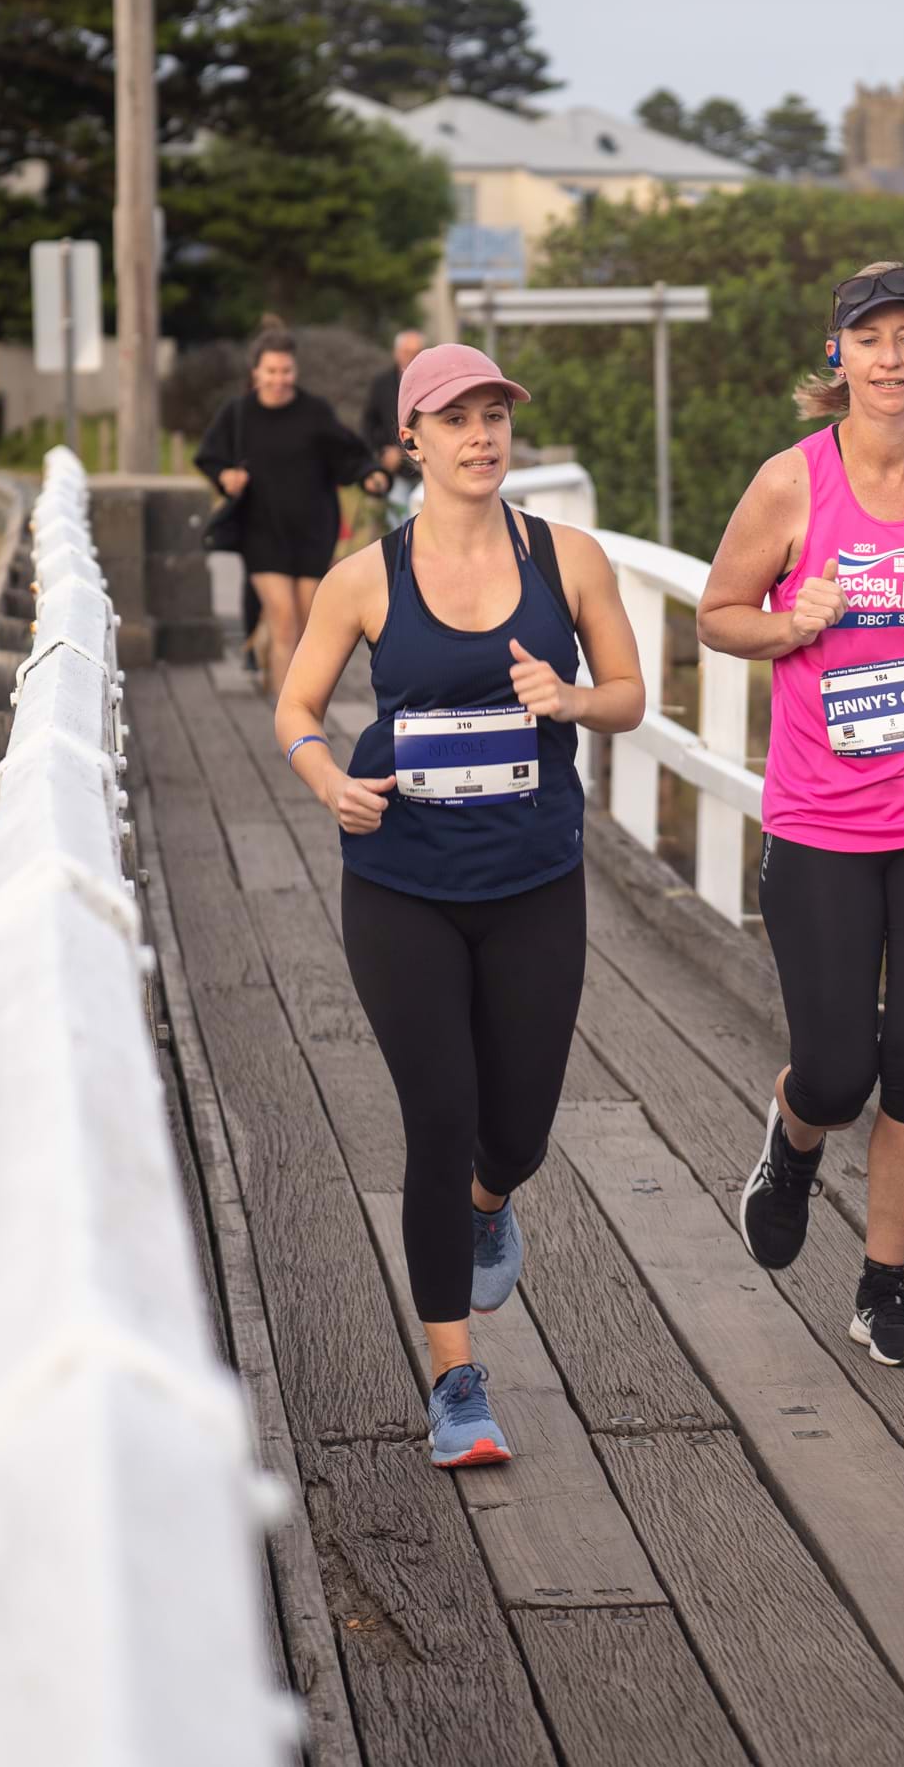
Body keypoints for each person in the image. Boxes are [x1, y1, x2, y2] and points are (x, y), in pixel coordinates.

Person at [272, 342, 647, 1467]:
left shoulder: (566, 558)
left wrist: (571, 696)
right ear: (413, 441)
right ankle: (456, 1377)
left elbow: (628, 696)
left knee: (518, 1125)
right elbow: (295, 705)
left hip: (534, 881)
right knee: (436, 1118)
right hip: (401, 885)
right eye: (455, 419)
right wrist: (329, 778)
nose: (481, 436)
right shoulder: (365, 578)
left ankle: (494, 1196)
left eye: (494, 416)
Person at [697, 262, 904, 1368]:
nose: (889, 359)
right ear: (837, 356)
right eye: (868, 338)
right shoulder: (791, 484)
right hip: (821, 820)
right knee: (838, 1070)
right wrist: (790, 621)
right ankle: (793, 1145)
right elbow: (716, 616)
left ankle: (882, 1285)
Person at [197, 330, 388, 697]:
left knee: (304, 624)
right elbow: (210, 456)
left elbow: (347, 455)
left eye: (286, 370)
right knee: (284, 619)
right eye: (271, 371)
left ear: (295, 370)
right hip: (262, 531)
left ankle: (288, 687)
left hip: (313, 531)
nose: (279, 379)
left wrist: (370, 476)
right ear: (255, 372)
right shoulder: (238, 414)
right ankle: (288, 718)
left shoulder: (315, 412)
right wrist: (226, 476)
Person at [364, 329, 428, 514]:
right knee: (398, 523)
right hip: (397, 472)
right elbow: (369, 425)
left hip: (427, 468)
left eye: (416, 353)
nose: (411, 358)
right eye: (407, 352)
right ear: (397, 353)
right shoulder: (381, 385)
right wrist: (382, 452)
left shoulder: (434, 384)